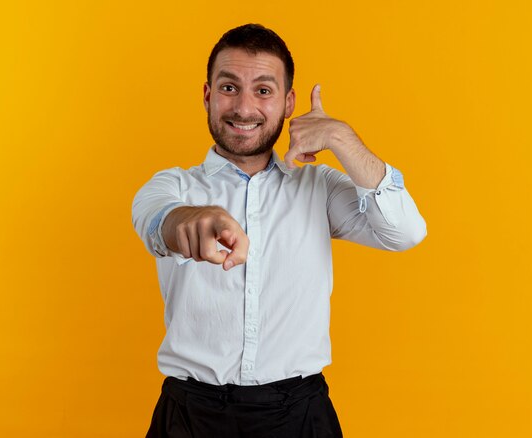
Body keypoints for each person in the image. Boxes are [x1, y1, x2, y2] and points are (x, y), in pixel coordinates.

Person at [132, 23, 426, 438]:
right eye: (229, 87)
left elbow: (406, 232)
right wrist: (191, 222)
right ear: (207, 95)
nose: (245, 108)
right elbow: (158, 221)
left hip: (300, 416)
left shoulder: (320, 187)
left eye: (264, 91)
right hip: (190, 417)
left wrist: (342, 138)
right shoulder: (172, 186)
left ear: (289, 103)